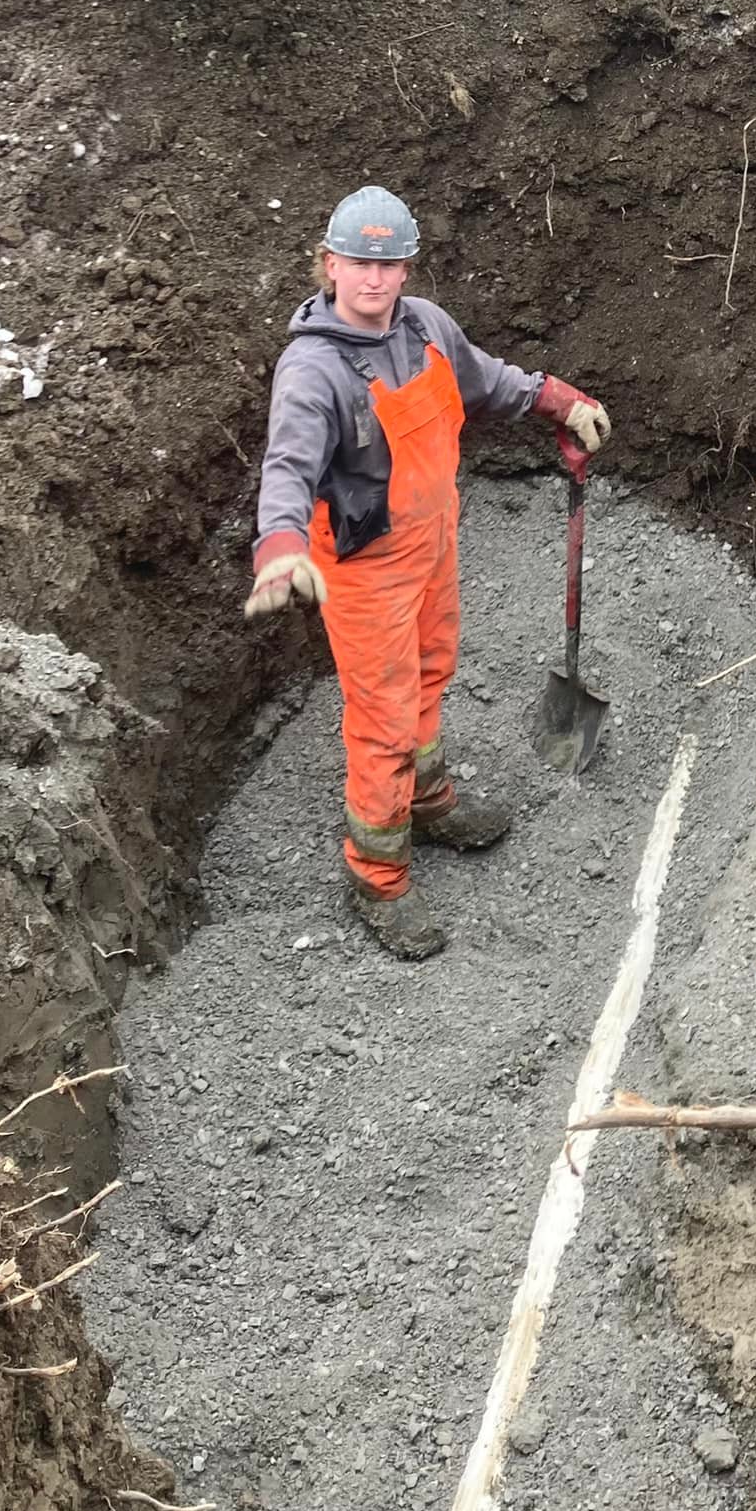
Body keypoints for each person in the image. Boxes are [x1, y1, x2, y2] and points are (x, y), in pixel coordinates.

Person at [244, 186, 610, 959]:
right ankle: (377, 877)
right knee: (382, 720)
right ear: (329, 265)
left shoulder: (429, 329)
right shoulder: (313, 370)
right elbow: (288, 467)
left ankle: (429, 800)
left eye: (389, 263)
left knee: (432, 671)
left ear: (405, 268)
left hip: (434, 544)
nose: (374, 279)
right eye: (358, 264)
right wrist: (280, 546)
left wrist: (555, 400)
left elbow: (486, 379)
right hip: (366, 565)